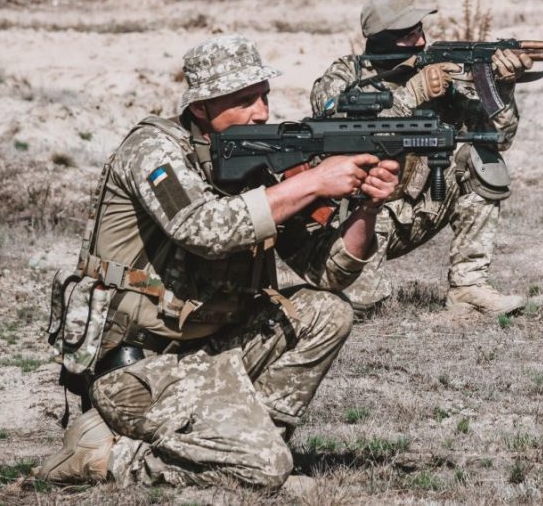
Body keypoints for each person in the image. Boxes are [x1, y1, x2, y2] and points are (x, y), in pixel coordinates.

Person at [36, 35, 399, 490]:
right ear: (202, 107)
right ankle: (109, 457)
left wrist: (366, 205)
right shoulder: (152, 151)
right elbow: (202, 227)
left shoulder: (258, 159)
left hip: (217, 352)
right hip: (139, 368)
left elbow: (329, 271)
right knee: (265, 470)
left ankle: (249, 446)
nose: (262, 112)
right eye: (245, 100)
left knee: (327, 312)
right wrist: (314, 183)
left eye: (264, 95)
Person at [309, 0, 532, 317]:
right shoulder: (344, 76)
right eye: (407, 34)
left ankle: (468, 286)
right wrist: (410, 96)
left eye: (419, 30)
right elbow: (339, 138)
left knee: (481, 161)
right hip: (357, 216)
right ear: (381, 38)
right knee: (360, 309)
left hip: (415, 208)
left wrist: (503, 88)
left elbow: (497, 139)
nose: (420, 39)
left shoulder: (438, 74)